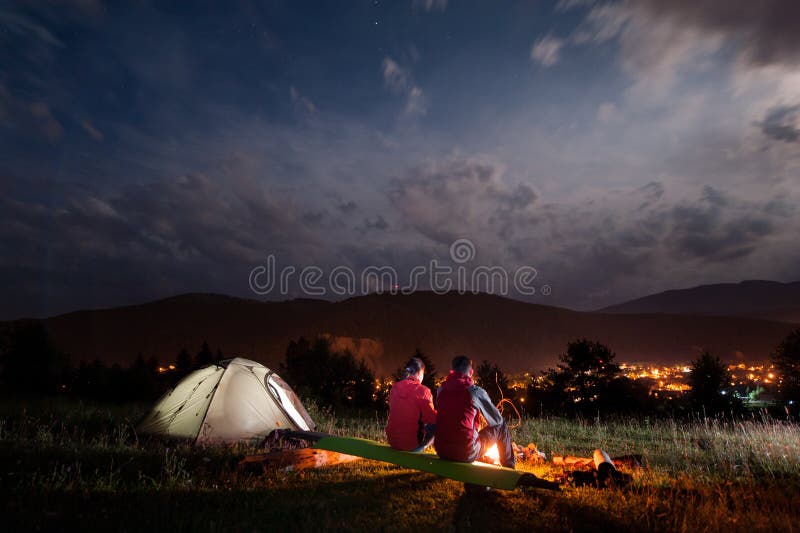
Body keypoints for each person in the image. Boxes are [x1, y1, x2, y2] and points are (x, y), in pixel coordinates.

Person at [434, 355, 516, 469]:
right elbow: (496, 420)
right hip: (465, 453)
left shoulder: (441, 390)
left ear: (451, 371)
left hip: (442, 450)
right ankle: (509, 468)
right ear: (471, 372)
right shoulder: (474, 391)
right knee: (501, 425)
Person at [385, 357, 437, 451]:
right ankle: (421, 449)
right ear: (419, 372)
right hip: (411, 445)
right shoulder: (423, 390)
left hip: (392, 441)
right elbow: (431, 418)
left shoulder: (394, 388)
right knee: (438, 423)